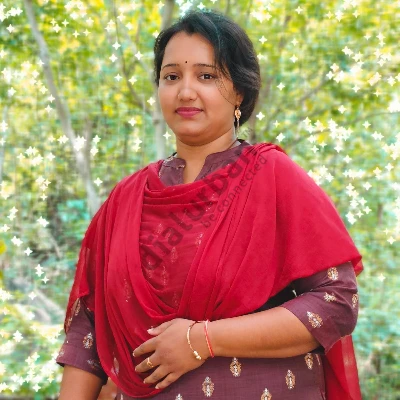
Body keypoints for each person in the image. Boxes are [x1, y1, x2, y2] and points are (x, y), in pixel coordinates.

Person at [56, 9, 363, 400]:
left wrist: (202, 339)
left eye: (206, 76)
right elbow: (88, 332)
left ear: (240, 91)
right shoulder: (126, 200)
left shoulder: (273, 177)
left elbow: (336, 302)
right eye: (171, 76)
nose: (185, 91)